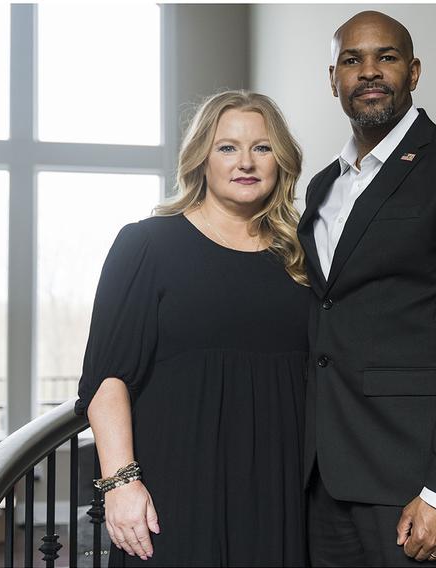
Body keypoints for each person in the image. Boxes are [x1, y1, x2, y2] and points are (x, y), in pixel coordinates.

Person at [298, 11, 436, 566]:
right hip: (324, 482)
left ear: (413, 71)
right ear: (333, 80)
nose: (369, 72)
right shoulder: (323, 187)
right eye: (352, 60)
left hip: (414, 483)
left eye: (386, 57)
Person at [74, 90, 310, 567]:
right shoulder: (147, 244)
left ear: (280, 160)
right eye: (227, 147)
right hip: (176, 491)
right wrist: (120, 484)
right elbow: (106, 378)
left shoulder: (303, 256)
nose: (245, 161)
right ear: (201, 157)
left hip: (281, 493)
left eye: (262, 147)